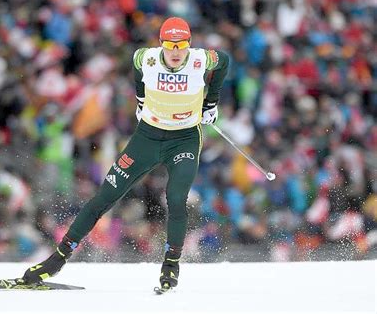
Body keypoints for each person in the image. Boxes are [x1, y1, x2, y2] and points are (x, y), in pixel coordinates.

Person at [21, 17, 229, 291]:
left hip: (185, 138)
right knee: (104, 197)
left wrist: (210, 103)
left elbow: (223, 60)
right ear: (161, 44)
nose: (176, 51)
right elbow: (135, 64)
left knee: (176, 198)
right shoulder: (147, 58)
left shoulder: (201, 60)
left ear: (189, 44)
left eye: (181, 45)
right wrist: (141, 99)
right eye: (169, 44)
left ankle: (170, 265)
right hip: (148, 137)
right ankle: (57, 259)